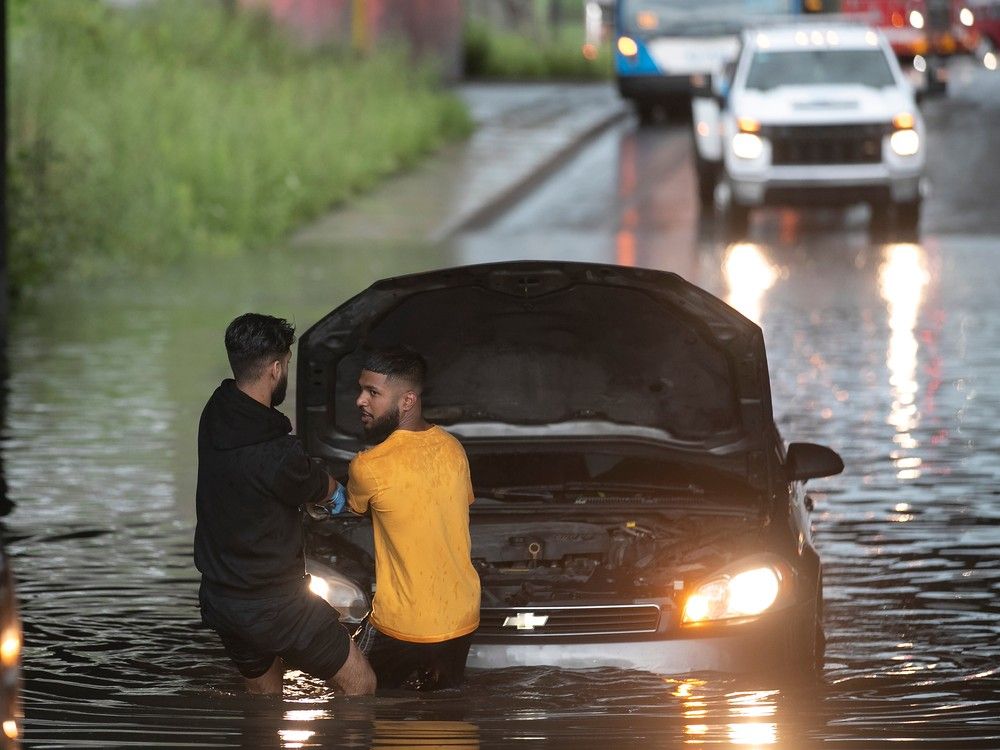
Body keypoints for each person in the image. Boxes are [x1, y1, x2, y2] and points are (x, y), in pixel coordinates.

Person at [194, 313, 375, 696]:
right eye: (288, 364)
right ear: (276, 368)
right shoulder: (277, 453)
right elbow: (321, 488)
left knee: (265, 702)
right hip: (275, 604)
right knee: (361, 685)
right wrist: (339, 496)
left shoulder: (214, 413)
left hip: (223, 598)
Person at [347, 349, 481, 690]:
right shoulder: (453, 448)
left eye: (372, 393)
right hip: (461, 615)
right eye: (361, 389)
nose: (360, 401)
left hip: (402, 622)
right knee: (444, 710)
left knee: (357, 694)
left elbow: (351, 510)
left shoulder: (369, 465)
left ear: (407, 400)